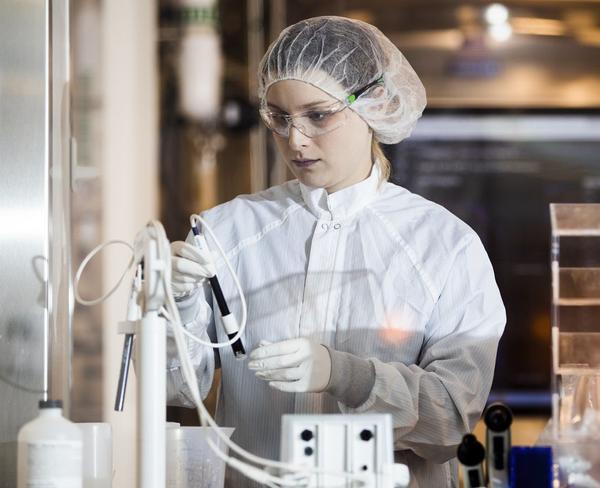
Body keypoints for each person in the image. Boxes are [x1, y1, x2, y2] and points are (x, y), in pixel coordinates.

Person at [167, 15, 506, 487]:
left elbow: (451, 420)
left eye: (318, 115)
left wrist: (347, 375)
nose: (295, 139)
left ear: (377, 103)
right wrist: (175, 302)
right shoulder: (228, 231)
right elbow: (179, 388)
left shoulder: (444, 246)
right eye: (279, 117)